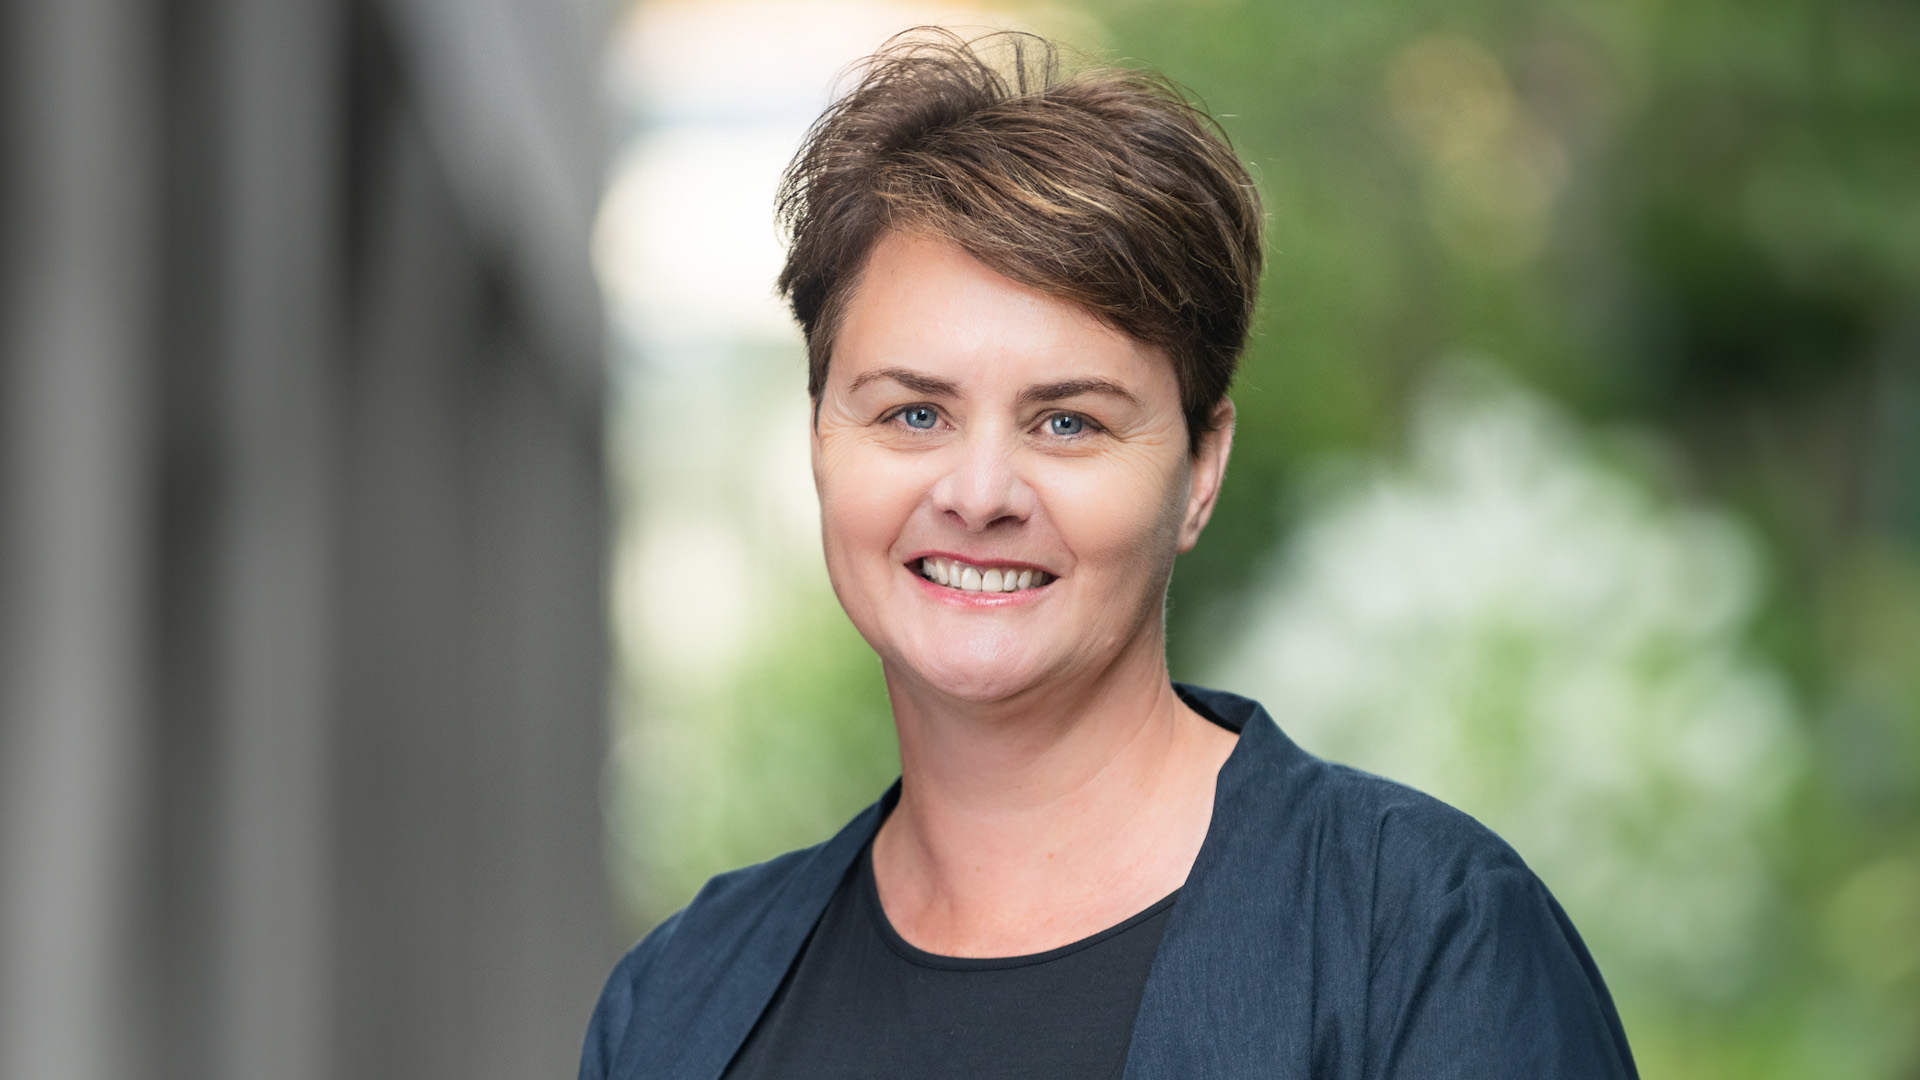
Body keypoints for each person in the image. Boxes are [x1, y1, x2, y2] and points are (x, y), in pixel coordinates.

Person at [580, 29, 1637, 1080]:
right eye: (912, 414)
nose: (980, 494)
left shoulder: (1422, 946)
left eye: (1068, 423)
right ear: (820, 438)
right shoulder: (679, 1001)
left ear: (1201, 468)